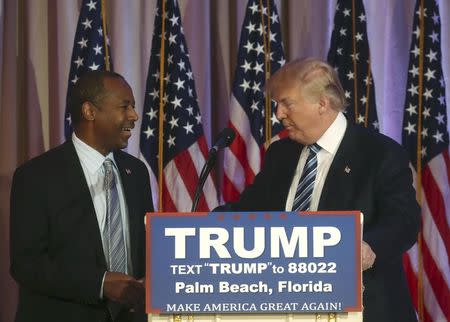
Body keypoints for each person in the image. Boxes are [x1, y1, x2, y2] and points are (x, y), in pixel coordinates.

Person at [219, 58, 421, 322]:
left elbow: (404, 220)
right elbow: (247, 210)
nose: (278, 114)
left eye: (287, 103)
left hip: (365, 309)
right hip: (287, 308)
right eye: (277, 104)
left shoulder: (379, 153)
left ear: (322, 104)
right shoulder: (281, 153)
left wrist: (369, 247)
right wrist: (197, 230)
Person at [10, 71, 153, 322]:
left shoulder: (137, 172)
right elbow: (26, 264)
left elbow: (145, 248)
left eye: (133, 106)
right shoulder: (36, 176)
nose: (134, 115)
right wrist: (101, 284)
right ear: (90, 111)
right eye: (124, 106)